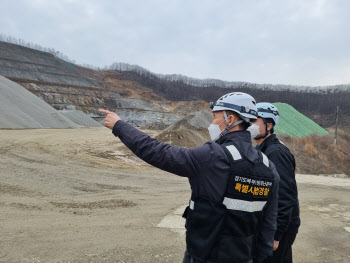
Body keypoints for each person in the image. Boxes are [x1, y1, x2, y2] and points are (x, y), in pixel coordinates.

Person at [99, 92, 280, 263]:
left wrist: (119, 126)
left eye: (216, 117)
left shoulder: (213, 155)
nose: (213, 123)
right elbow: (269, 223)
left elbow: (158, 152)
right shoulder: (268, 167)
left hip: (205, 255)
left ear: (230, 119)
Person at [247, 103, 300, 263]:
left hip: (280, 229)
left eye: (254, 121)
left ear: (269, 125)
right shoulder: (262, 149)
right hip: (269, 225)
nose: (250, 125)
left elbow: (285, 196)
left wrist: (276, 235)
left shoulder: (276, 152)